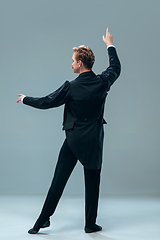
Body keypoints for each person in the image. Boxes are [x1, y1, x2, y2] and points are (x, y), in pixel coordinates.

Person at [16, 28, 121, 234]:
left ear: (80, 63)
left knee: (58, 181)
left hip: (73, 140)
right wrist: (110, 44)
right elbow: (116, 67)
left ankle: (41, 222)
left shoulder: (71, 87)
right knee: (93, 183)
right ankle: (90, 224)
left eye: (73, 60)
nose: (71, 63)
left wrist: (26, 99)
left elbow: (48, 101)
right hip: (93, 142)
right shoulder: (102, 82)